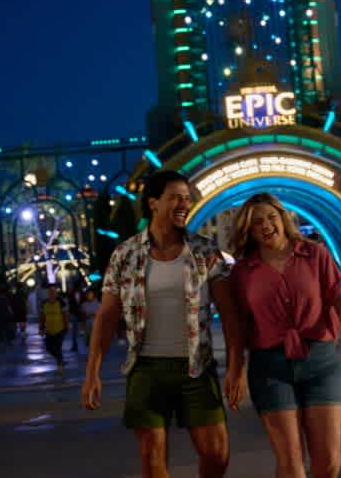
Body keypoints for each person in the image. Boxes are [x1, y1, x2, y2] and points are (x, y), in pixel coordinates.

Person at [81, 171, 243, 478]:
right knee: (151, 457)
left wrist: (236, 367)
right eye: (175, 197)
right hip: (146, 368)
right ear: (153, 203)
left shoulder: (206, 252)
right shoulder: (125, 255)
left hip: (196, 366)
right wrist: (92, 373)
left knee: (216, 453)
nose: (184, 203)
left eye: (186, 197)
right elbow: (106, 316)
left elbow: (230, 313)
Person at [229, 193, 341, 478]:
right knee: (291, 464)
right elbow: (239, 326)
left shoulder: (315, 254)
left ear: (283, 218)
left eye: (271, 217)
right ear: (248, 230)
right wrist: (236, 368)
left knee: (328, 460)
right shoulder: (242, 272)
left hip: (322, 363)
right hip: (270, 368)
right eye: (257, 222)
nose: (266, 225)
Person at [39, 284, 69, 373]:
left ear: (56, 293)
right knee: (49, 348)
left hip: (60, 329)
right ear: (48, 293)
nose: (52, 293)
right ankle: (60, 359)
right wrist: (41, 328)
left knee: (58, 347)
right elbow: (42, 316)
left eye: (54, 291)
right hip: (49, 329)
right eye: (50, 291)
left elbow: (65, 315)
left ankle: (60, 366)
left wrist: (66, 326)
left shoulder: (61, 303)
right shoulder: (44, 303)